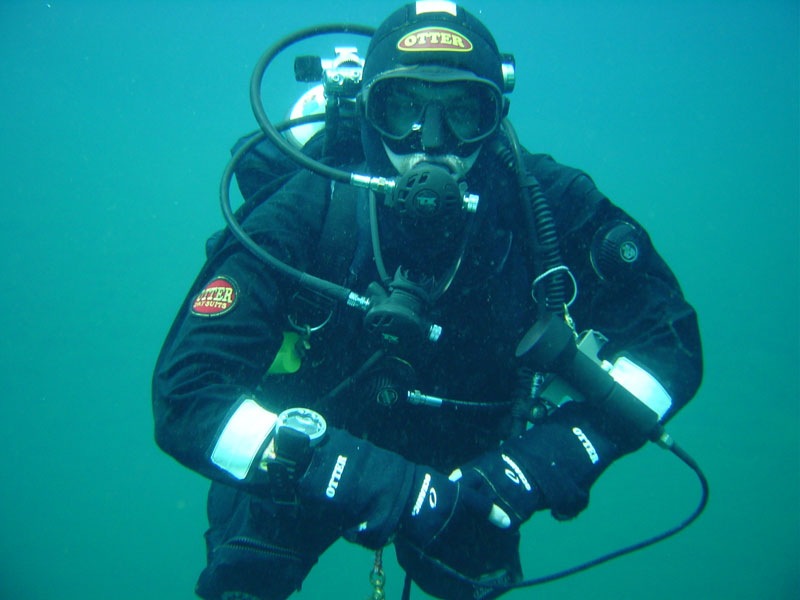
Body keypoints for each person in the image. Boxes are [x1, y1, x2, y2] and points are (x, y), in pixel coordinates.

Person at [152, 2, 703, 599]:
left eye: (464, 112)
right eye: (403, 109)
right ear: (370, 112)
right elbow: (188, 394)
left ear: (496, 115)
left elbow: (668, 343)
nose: (433, 142)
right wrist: (365, 479)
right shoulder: (306, 207)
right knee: (245, 577)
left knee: (471, 572)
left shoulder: (547, 205)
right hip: (304, 455)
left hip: (474, 480)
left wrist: (539, 464)